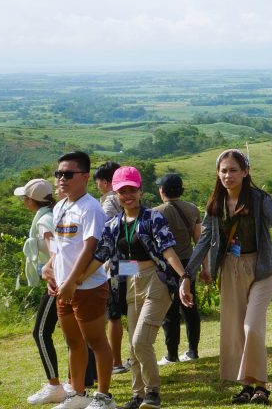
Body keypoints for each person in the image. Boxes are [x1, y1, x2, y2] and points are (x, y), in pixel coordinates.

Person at [179, 149, 272, 405]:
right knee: (235, 330)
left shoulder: (260, 199)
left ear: (245, 172)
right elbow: (204, 241)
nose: (227, 175)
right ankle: (246, 386)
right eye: (223, 170)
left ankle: (262, 386)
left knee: (252, 327)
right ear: (217, 173)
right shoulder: (215, 205)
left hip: (261, 268)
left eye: (233, 170)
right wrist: (188, 275)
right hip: (230, 268)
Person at [85, 166, 189, 409]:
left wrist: (184, 277)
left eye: (132, 190)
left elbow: (166, 250)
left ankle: (152, 392)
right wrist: (78, 280)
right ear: (116, 193)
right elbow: (102, 256)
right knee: (133, 344)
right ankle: (138, 395)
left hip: (156, 280)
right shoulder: (113, 224)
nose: (127, 195)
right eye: (122, 191)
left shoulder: (153, 217)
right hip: (131, 282)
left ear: (141, 191)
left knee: (141, 340)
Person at [41, 151, 116, 409]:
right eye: (59, 174)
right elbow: (61, 247)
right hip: (64, 287)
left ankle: (104, 397)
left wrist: (73, 281)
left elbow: (89, 247)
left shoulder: (91, 208)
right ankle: (78, 395)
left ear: (84, 176)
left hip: (87, 287)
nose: (62, 179)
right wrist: (49, 268)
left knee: (96, 342)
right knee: (73, 343)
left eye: (68, 174)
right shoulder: (61, 206)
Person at [18, 178, 75, 405]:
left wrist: (49, 273)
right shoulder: (55, 213)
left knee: (41, 333)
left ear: (31, 201)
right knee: (73, 334)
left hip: (58, 282)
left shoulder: (43, 222)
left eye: (25, 198)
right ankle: (73, 382)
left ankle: (55, 386)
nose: (24, 202)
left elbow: (56, 251)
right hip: (70, 279)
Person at [153, 173, 204, 366]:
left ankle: (171, 354)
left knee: (170, 311)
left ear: (162, 190)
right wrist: (204, 266)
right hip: (189, 263)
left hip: (167, 264)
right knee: (190, 307)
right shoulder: (192, 209)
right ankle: (193, 351)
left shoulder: (157, 212)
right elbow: (199, 240)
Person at [95, 161, 128, 375]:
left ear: (106, 182)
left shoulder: (108, 202)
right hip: (132, 263)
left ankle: (116, 362)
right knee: (133, 307)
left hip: (114, 265)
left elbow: (103, 233)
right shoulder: (128, 198)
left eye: (98, 182)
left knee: (114, 314)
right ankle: (135, 357)